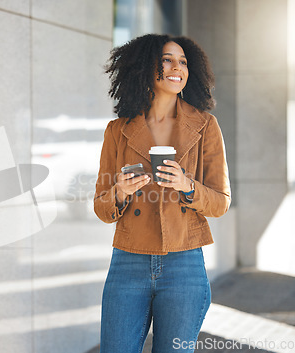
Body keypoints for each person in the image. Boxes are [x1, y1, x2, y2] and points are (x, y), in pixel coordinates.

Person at [94, 34, 231, 353]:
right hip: (128, 261)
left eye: (183, 61)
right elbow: (101, 207)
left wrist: (187, 186)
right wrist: (119, 191)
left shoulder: (205, 126)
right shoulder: (118, 130)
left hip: (184, 264)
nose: (177, 67)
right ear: (145, 67)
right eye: (167, 59)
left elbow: (221, 202)